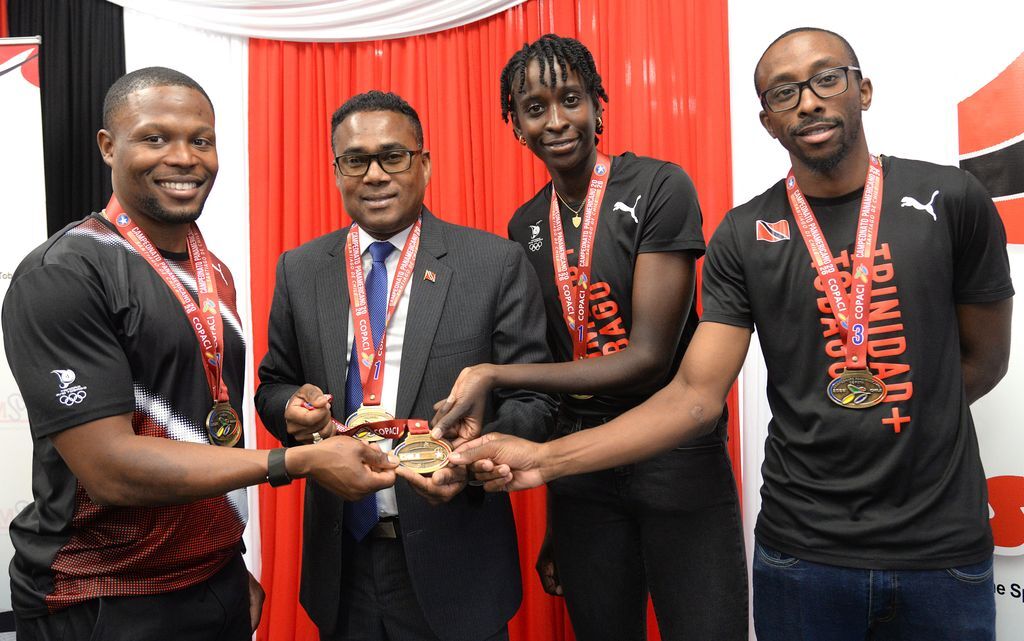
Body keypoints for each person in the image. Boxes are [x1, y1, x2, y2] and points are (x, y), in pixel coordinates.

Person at [442, 27, 1013, 641]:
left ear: (862, 89)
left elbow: (984, 361)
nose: (810, 102)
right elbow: (685, 392)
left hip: (932, 544)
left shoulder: (952, 198)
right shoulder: (743, 232)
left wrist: (898, 418)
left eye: (826, 80)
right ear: (767, 119)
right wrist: (552, 470)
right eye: (785, 93)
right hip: (797, 544)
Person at [2, 67, 398, 641]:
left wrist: (227, 561)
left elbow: (212, 432)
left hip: (209, 583)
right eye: (155, 138)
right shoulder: (64, 271)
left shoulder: (213, 275)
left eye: (201, 139)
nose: (184, 157)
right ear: (108, 147)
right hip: (100, 598)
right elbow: (110, 469)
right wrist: (297, 461)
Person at [434, 34, 746, 640]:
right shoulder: (525, 225)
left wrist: (495, 373)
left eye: (571, 99)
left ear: (598, 105)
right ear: (515, 126)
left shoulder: (660, 186)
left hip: (673, 450)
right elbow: (559, 363)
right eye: (534, 108)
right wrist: (557, 505)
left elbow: (650, 359)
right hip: (580, 464)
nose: (556, 121)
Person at [254, 90, 554, 641]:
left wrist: (470, 458)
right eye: (356, 160)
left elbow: (535, 401)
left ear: (425, 164)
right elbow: (273, 386)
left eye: (393, 156)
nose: (374, 175)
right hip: (342, 562)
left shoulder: (493, 264)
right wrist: (296, 413)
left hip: (456, 558)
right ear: (337, 168)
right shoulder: (300, 270)